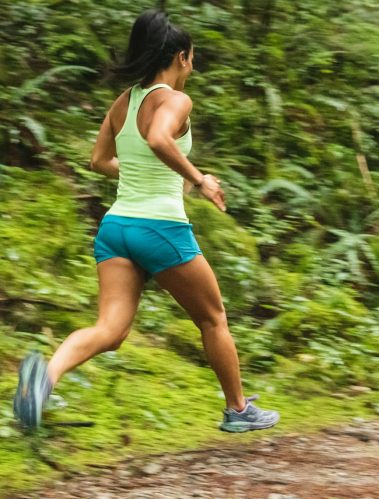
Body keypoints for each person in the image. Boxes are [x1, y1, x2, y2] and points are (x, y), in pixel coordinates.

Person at [13, 8, 279, 433]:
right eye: (192, 57)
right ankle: (238, 409)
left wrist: (144, 171)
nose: (192, 66)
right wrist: (200, 179)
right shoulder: (176, 100)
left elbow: (98, 161)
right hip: (160, 228)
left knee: (110, 330)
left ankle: (43, 379)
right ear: (179, 57)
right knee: (213, 319)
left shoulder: (124, 101)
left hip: (117, 228)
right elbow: (158, 137)